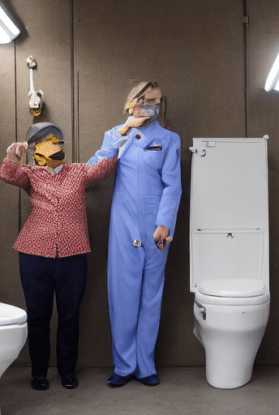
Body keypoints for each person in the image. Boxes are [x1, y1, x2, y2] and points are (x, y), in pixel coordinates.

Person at [0, 122, 125, 391]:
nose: (51, 146)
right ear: (36, 150)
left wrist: (121, 134)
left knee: (70, 316)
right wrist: (12, 156)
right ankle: (39, 373)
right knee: (38, 318)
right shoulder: (30, 174)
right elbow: (7, 175)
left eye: (55, 141)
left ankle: (67, 372)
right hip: (34, 254)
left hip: (73, 255)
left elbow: (104, 168)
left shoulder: (78, 171)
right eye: (45, 143)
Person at [88, 81, 182, 387]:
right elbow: (93, 168)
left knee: (151, 296)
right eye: (145, 99)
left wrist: (164, 223)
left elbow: (172, 186)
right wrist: (124, 130)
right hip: (123, 224)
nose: (150, 105)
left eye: (156, 100)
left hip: (156, 227)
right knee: (123, 294)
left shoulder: (169, 139)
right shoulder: (117, 135)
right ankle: (124, 365)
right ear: (132, 102)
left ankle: (146, 366)